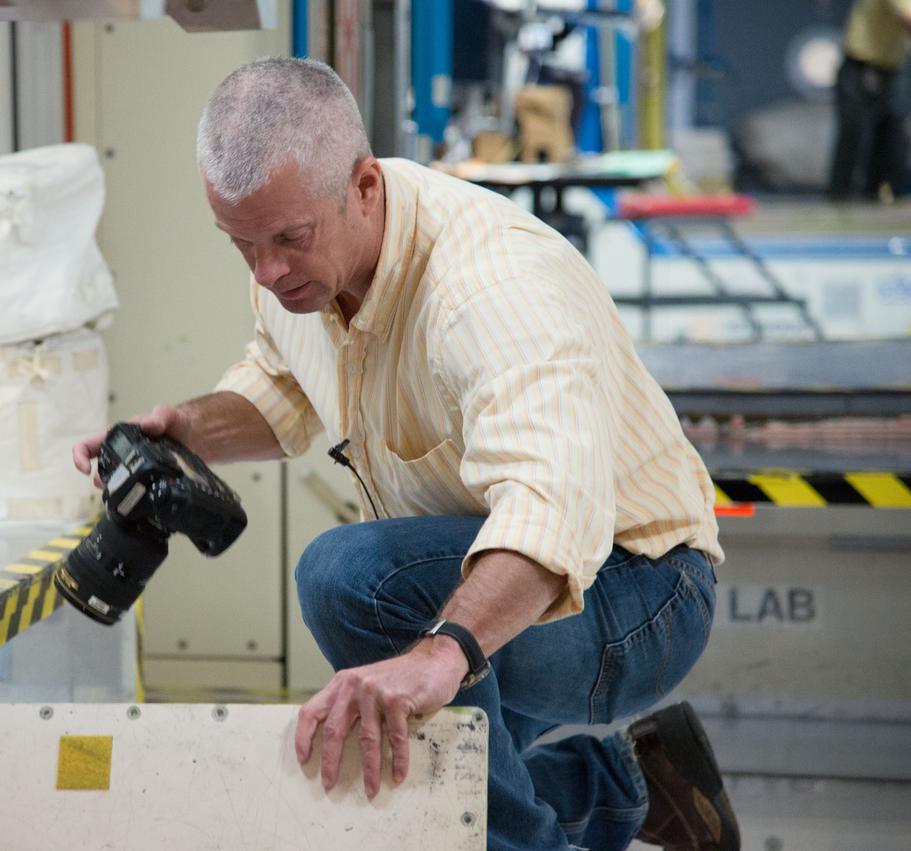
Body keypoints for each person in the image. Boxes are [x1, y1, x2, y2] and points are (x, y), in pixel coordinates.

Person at [74, 57, 738, 851]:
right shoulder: (297, 267)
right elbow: (281, 392)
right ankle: (633, 784)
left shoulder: (490, 288)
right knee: (418, 781)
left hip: (637, 590)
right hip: (480, 576)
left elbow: (550, 507)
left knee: (349, 579)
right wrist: (186, 428)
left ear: (362, 186)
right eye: (240, 245)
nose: (267, 271)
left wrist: (441, 652)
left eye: (287, 239)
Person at [828, 0, 911, 201]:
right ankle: (841, 200)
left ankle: (876, 196)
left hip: (892, 66)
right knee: (853, 135)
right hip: (861, 65)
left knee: (890, 135)